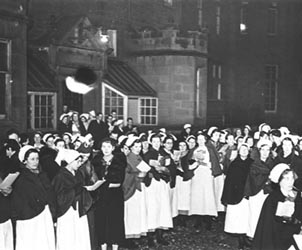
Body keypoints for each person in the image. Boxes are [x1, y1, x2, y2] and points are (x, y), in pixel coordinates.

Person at [10, 145, 56, 250]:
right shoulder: (21, 178)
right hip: (29, 217)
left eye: (37, 159)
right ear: (25, 161)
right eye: (32, 159)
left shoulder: (42, 175)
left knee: (44, 242)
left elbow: (50, 193)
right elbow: (21, 200)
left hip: (44, 214)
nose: (35, 162)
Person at [252, 164, 302, 250]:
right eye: (287, 179)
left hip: (294, 236)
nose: (291, 182)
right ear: (279, 181)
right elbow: (268, 225)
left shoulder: (296, 195)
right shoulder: (273, 198)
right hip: (276, 238)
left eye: (292, 178)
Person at [52, 149, 92, 250]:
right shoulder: (60, 176)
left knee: (80, 235)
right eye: (77, 161)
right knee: (68, 237)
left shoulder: (78, 173)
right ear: (70, 161)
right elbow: (58, 197)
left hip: (79, 208)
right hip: (67, 210)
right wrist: (75, 191)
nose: (79, 164)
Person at [92, 138, 126, 250]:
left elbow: (119, 181)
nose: (106, 149)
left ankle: (115, 246)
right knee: (101, 220)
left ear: (113, 148)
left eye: (108, 147)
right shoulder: (96, 160)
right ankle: (103, 246)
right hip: (100, 196)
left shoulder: (119, 160)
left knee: (115, 220)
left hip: (114, 196)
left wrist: (103, 184)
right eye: (103, 147)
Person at [221, 143, 253, 250]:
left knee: (247, 218)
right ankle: (241, 241)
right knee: (239, 219)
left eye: (246, 149)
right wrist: (227, 196)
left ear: (249, 151)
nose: (244, 151)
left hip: (248, 195)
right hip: (236, 195)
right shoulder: (234, 164)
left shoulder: (252, 163)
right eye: (242, 149)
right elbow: (229, 181)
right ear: (239, 151)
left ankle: (245, 239)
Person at [244, 139, 274, 241]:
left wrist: (268, 179)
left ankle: (263, 235)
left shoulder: (272, 163)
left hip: (268, 192)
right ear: (259, 151)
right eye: (263, 150)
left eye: (267, 150)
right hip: (256, 191)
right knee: (254, 213)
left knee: (266, 214)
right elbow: (253, 178)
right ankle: (252, 235)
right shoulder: (254, 163)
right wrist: (267, 178)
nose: (265, 152)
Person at [122, 137, 148, 248]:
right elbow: (127, 174)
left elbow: (146, 170)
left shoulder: (139, 157)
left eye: (140, 147)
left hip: (138, 187)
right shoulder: (128, 158)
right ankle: (128, 238)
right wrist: (138, 176)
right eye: (136, 147)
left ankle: (135, 236)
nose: (138, 149)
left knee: (137, 213)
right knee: (131, 213)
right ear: (131, 147)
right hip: (131, 188)